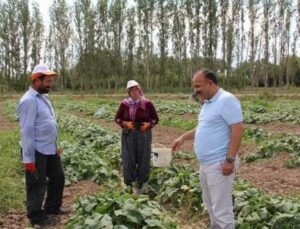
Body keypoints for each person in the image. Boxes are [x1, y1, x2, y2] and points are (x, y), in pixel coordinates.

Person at [172, 69, 243, 228]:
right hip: (205, 164)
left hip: (219, 163)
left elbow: (237, 129)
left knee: (222, 211)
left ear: (210, 83)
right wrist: (183, 137)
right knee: (211, 207)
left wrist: (229, 160)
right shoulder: (208, 103)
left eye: (198, 86)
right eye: (194, 86)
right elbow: (204, 127)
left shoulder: (226, 100)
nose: (195, 90)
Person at [17, 64, 69, 226]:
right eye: (47, 81)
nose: (50, 84)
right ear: (36, 80)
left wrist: (55, 144)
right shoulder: (28, 101)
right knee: (37, 184)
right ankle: (36, 216)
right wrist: (28, 158)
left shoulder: (43, 98)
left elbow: (48, 124)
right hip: (36, 151)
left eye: (50, 80)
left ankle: (52, 208)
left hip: (50, 148)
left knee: (58, 177)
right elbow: (27, 131)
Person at [115, 80, 159, 194]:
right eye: (132, 90)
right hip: (129, 135)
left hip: (144, 135)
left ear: (140, 90)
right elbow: (117, 119)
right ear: (129, 92)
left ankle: (142, 184)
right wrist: (126, 124)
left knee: (143, 158)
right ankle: (129, 185)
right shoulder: (124, 104)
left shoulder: (147, 103)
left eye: (136, 89)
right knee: (128, 159)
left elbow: (155, 119)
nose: (135, 92)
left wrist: (149, 124)